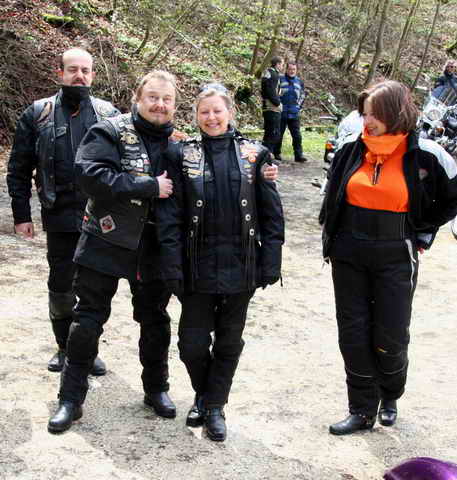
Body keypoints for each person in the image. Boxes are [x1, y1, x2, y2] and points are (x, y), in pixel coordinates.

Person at [319, 80, 457, 436]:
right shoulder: (351, 148)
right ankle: (361, 409)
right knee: (353, 333)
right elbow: (333, 194)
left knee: (391, 334)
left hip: (396, 253)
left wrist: (423, 231)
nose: (367, 121)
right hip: (349, 252)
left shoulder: (426, 153)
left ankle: (390, 395)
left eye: (375, 114)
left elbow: (454, 196)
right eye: (364, 113)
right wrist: (330, 237)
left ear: (396, 113)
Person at [46, 70, 180, 433]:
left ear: (174, 105)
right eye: (153, 97)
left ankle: (156, 389)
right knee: (87, 321)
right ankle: (70, 400)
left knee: (155, 321)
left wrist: (261, 169)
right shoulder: (109, 130)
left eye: (166, 99)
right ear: (137, 98)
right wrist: (147, 186)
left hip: (153, 247)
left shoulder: (180, 145)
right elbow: (88, 174)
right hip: (104, 240)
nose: (159, 105)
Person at [156, 84, 284, 442]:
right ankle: (204, 393)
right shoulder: (179, 154)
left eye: (217, 110)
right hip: (195, 266)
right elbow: (169, 216)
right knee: (191, 344)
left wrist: (271, 261)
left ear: (230, 112)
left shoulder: (256, 154)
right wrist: (171, 264)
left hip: (241, 264)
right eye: (204, 111)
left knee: (229, 341)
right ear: (196, 116)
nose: (211, 117)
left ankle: (214, 406)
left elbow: (272, 214)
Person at [6, 48, 119, 375]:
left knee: (94, 288)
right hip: (59, 215)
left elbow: (126, 165)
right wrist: (22, 215)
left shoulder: (109, 114)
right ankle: (64, 346)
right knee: (61, 285)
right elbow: (18, 168)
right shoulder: (37, 113)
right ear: (60, 73)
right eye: (73, 69)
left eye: (85, 70)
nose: (79, 76)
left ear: (93, 75)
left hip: (101, 217)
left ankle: (87, 349)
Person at [273, 61, 308, 163]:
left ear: (296, 70)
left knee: (297, 135)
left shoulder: (299, 81)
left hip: (294, 112)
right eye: (290, 69)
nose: (292, 71)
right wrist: (278, 105)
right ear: (286, 69)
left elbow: (303, 95)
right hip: (282, 111)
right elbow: (275, 93)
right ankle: (276, 153)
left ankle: (298, 155)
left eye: (294, 69)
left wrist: (298, 106)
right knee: (279, 134)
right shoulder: (280, 79)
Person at [261, 56, 284, 156]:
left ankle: (264, 155)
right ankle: (267, 156)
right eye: (282, 64)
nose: (282, 67)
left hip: (266, 106)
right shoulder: (274, 75)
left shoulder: (268, 73)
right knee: (274, 133)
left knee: (268, 133)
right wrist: (278, 103)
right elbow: (270, 91)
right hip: (272, 108)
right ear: (277, 64)